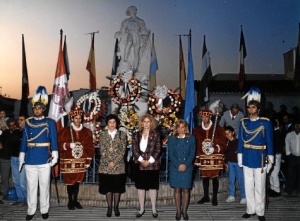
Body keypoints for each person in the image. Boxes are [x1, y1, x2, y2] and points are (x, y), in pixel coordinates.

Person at [19, 86, 58, 221]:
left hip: (44, 158)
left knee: (44, 186)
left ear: (43, 109)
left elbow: (53, 139)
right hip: (30, 158)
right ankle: (31, 210)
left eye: (39, 108)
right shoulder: (28, 122)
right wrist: (21, 157)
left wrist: (55, 155)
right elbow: (24, 141)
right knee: (31, 187)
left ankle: (44, 210)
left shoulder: (50, 122)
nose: (37, 110)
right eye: (35, 108)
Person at [238, 87, 274, 221]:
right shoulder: (243, 123)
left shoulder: (265, 122)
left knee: (260, 186)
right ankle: (250, 209)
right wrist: (240, 156)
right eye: (249, 107)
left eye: (253, 107)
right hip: (247, 156)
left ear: (258, 109)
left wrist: (270, 158)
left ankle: (260, 212)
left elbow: (270, 141)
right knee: (248, 185)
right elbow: (241, 141)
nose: (250, 110)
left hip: (261, 157)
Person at [58, 107, 94, 210]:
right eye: (76, 118)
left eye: (80, 118)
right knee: (70, 182)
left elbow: (89, 147)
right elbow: (60, 146)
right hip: (68, 161)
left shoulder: (86, 132)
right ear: (72, 119)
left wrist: (88, 160)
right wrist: (69, 145)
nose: (78, 120)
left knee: (77, 182)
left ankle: (75, 200)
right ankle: (70, 201)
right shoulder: (65, 131)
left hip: (80, 160)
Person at [193, 109, 226, 206]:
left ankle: (214, 197)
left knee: (214, 177)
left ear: (210, 117)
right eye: (202, 117)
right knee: (205, 177)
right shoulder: (197, 130)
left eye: (206, 116)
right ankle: (206, 196)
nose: (204, 119)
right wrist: (197, 158)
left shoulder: (218, 129)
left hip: (215, 156)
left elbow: (223, 144)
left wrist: (215, 148)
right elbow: (196, 145)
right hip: (203, 156)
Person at [98, 114, 127, 217]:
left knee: (116, 188)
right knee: (108, 188)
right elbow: (102, 149)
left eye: (114, 122)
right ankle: (109, 207)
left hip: (118, 166)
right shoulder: (102, 134)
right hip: (105, 166)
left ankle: (116, 207)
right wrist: (108, 162)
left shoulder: (122, 135)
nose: (112, 124)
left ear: (117, 123)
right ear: (107, 123)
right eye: (110, 122)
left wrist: (114, 162)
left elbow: (122, 150)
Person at [132, 114, 161, 218]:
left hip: (152, 165)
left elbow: (158, 149)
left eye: (148, 122)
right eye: (144, 121)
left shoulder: (156, 134)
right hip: (140, 165)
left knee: (153, 188)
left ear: (151, 123)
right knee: (141, 188)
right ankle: (141, 209)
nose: (146, 124)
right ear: (141, 123)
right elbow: (134, 149)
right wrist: (141, 160)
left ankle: (153, 209)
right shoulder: (136, 134)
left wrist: (149, 161)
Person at [168, 119, 195, 221]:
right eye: (179, 127)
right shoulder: (172, 139)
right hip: (175, 168)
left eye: (183, 127)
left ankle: (184, 211)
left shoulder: (192, 138)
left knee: (186, 189)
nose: (180, 129)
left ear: (186, 128)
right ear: (176, 128)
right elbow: (171, 154)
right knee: (177, 189)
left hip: (187, 168)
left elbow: (192, 153)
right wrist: (178, 165)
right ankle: (178, 211)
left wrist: (185, 165)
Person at [115, 5, 150, 72]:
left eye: (133, 10)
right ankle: (125, 61)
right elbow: (123, 29)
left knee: (136, 52)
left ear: (135, 11)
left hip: (137, 35)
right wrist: (119, 34)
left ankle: (135, 68)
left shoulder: (140, 21)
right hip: (129, 34)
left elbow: (143, 30)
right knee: (129, 42)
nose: (132, 12)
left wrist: (146, 32)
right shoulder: (126, 21)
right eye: (130, 11)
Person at [224, 126, 246, 204]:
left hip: (238, 163)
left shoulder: (238, 142)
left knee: (241, 180)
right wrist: (225, 163)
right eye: (226, 134)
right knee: (231, 180)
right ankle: (231, 195)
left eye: (229, 133)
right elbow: (225, 154)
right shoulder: (226, 142)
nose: (227, 135)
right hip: (230, 163)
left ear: (233, 132)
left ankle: (244, 196)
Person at [8, 117, 27, 206]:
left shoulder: (25, 131)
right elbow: (10, 142)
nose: (19, 121)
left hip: (22, 158)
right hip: (13, 157)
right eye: (18, 120)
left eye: (21, 120)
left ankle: (27, 199)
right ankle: (20, 198)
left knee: (23, 181)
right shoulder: (14, 132)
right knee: (16, 180)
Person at [0, 118, 20, 204]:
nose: (12, 127)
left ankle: (18, 195)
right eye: (10, 125)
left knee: (17, 178)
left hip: (16, 157)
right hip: (5, 157)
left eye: (14, 125)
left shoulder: (19, 132)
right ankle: (5, 193)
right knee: (4, 177)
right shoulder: (6, 133)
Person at [284, 119, 300, 196]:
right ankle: (289, 190)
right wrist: (289, 154)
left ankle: (298, 191)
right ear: (293, 126)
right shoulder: (289, 134)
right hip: (292, 157)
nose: (297, 127)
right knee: (291, 174)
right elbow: (287, 145)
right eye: (296, 125)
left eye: (299, 125)